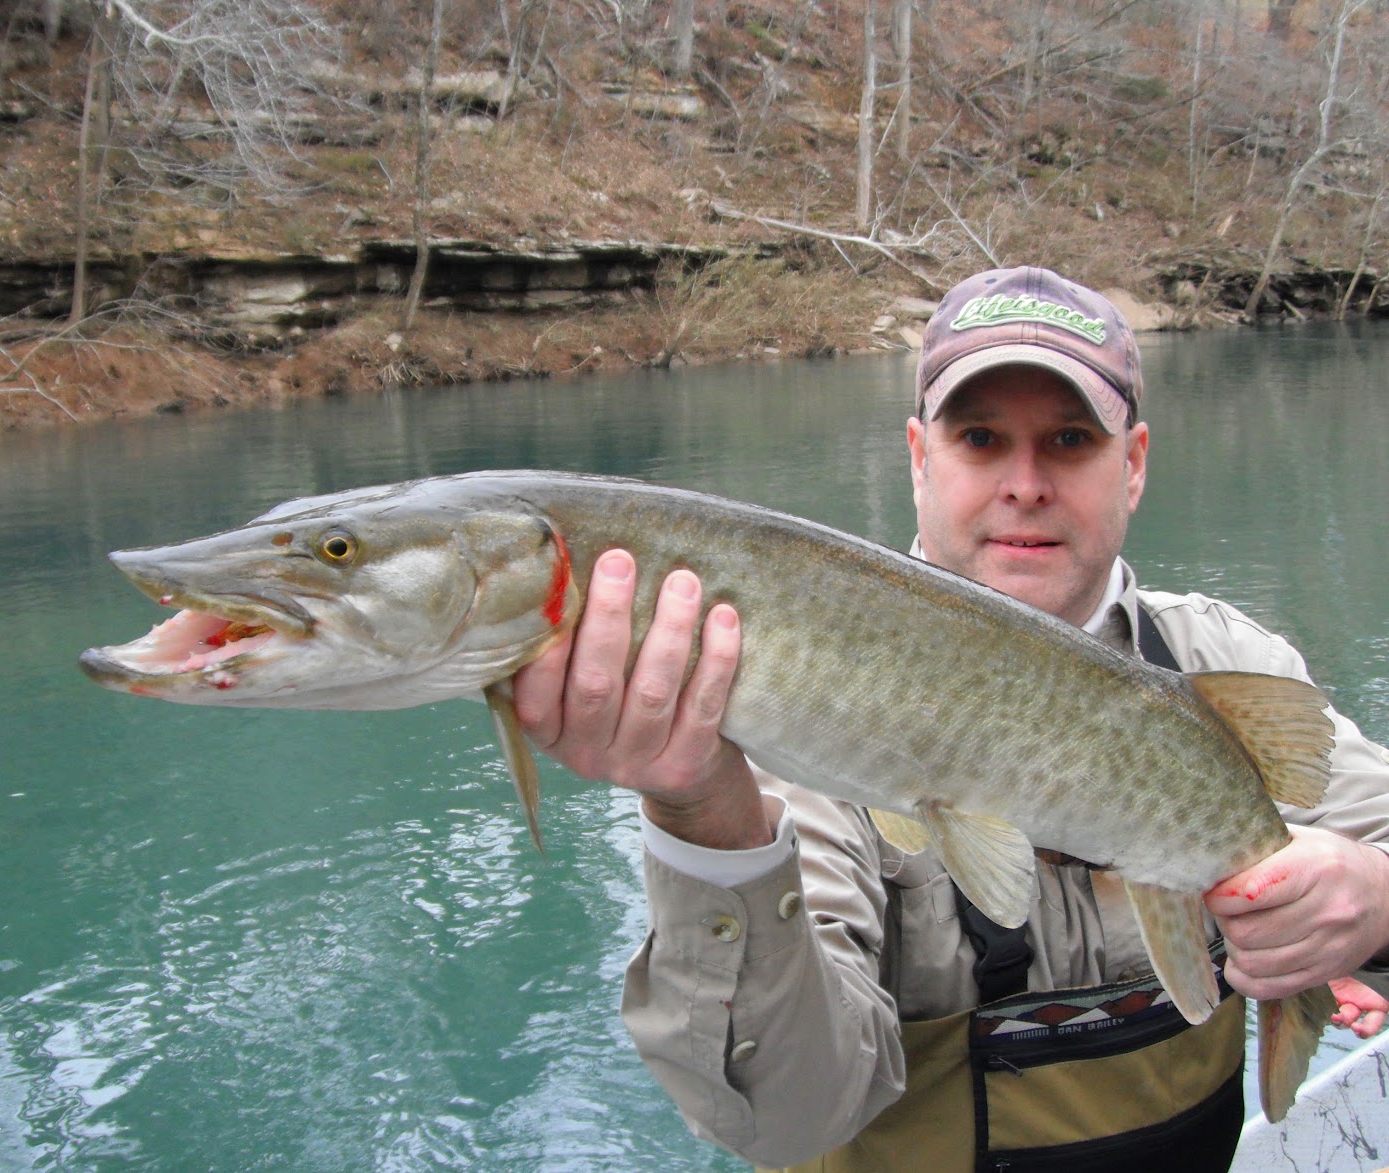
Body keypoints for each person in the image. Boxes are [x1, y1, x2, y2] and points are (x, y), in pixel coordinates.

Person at [510, 266, 1389, 1172]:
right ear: (921, 458)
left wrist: (1371, 898)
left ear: (1131, 466)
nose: (1025, 483)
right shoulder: (782, 733)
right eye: (979, 437)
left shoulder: (1225, 663)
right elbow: (785, 1118)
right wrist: (706, 820)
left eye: (1070, 440)